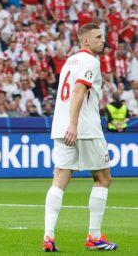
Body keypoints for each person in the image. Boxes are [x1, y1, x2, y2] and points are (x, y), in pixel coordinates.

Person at [44, 23, 118, 252]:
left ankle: (48, 235)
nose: (102, 41)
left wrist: (69, 125)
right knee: (103, 178)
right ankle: (94, 237)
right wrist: (74, 125)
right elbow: (78, 90)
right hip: (84, 128)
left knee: (60, 178)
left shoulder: (70, 62)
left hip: (61, 127)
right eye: (97, 37)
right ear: (85, 41)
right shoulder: (91, 62)